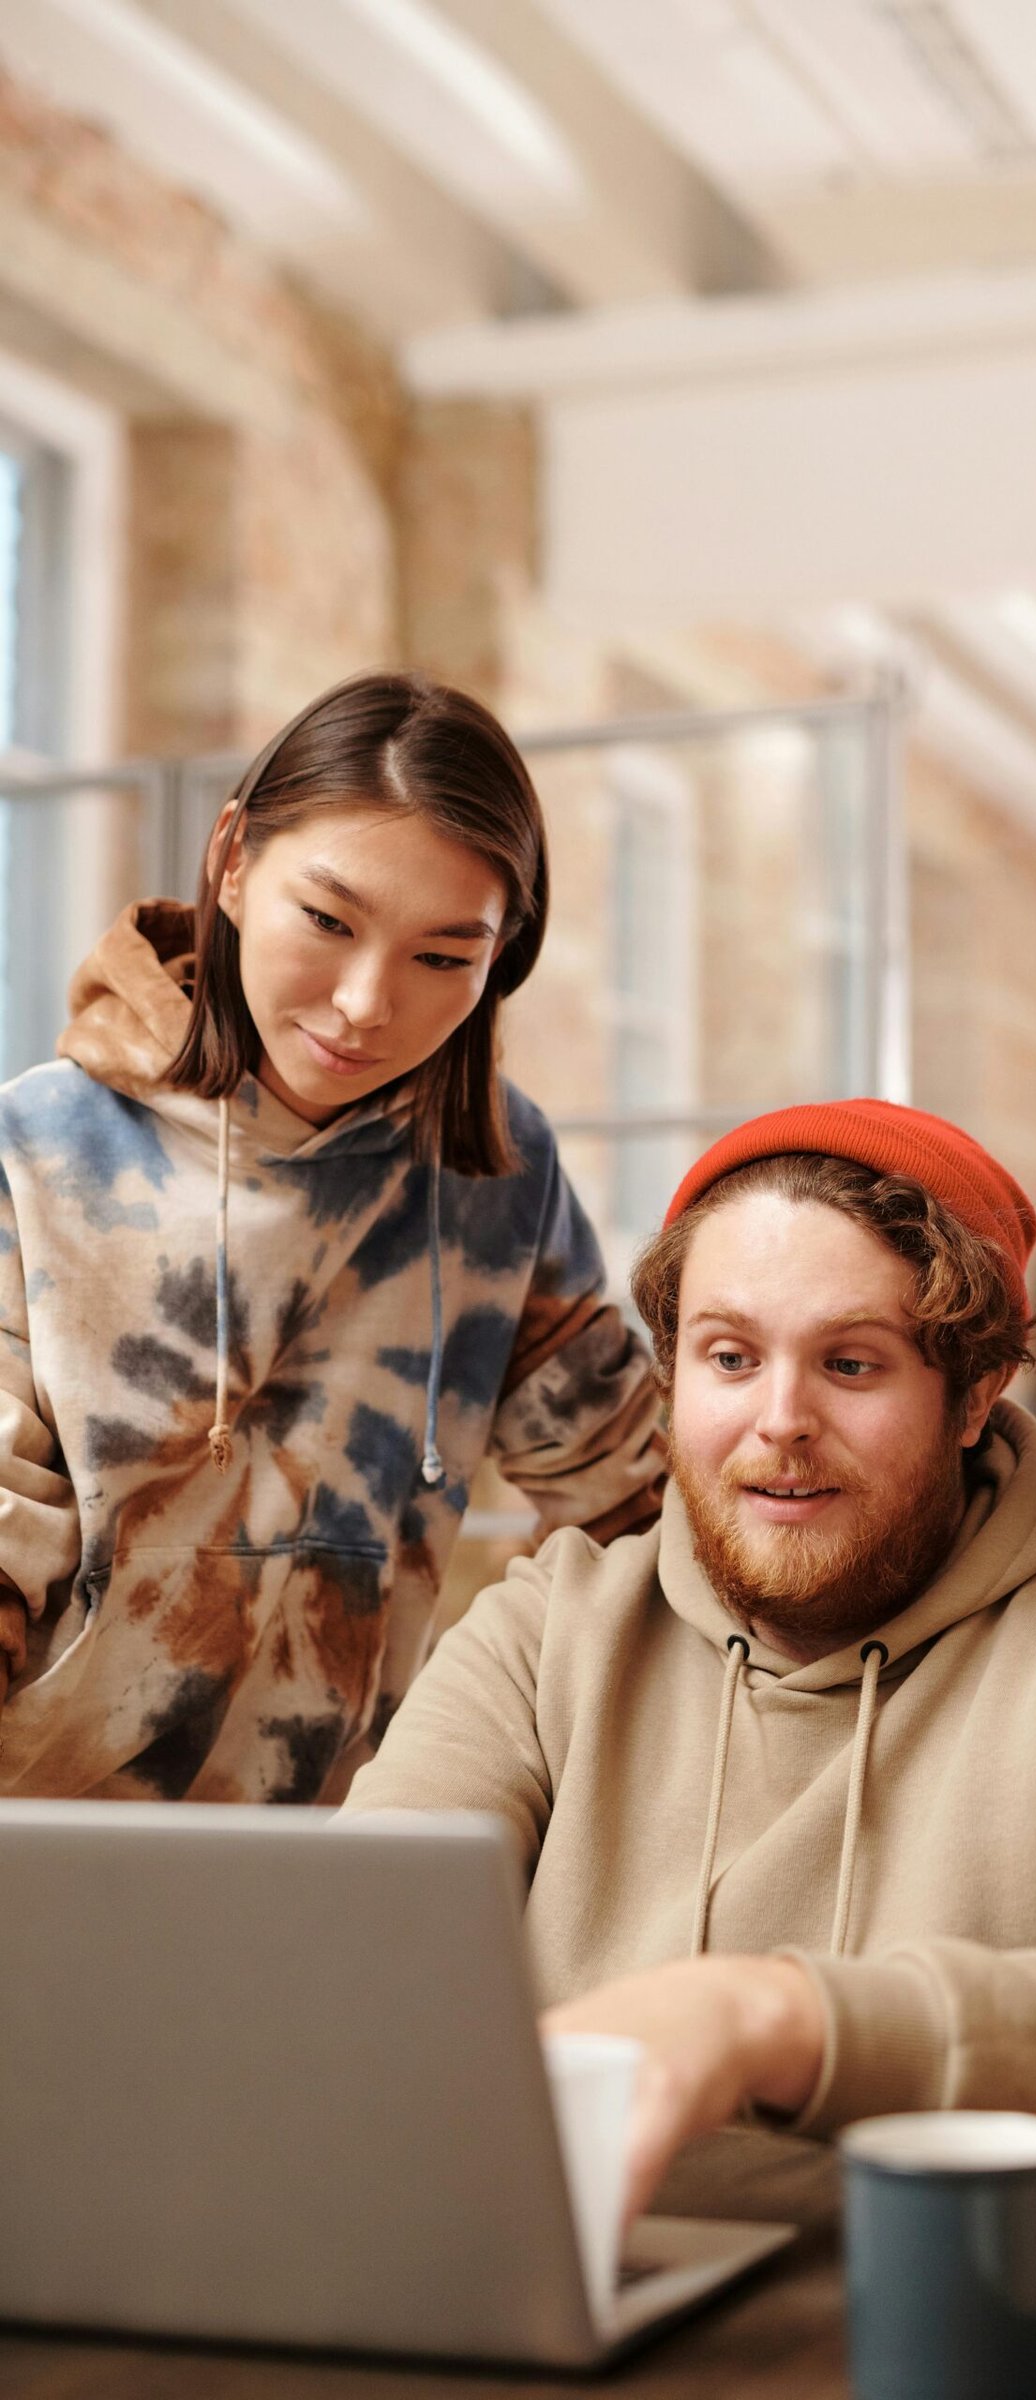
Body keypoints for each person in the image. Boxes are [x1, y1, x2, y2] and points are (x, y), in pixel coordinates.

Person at [344, 1099, 1036, 2222]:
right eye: (728, 1356)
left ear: (973, 1393)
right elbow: (356, 1962)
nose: (779, 1421)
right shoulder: (544, 1631)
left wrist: (769, 2023)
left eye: (850, 1365)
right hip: (635, 2306)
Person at [0, 670, 663, 1804]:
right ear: (234, 861)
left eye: (444, 958)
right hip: (42, 1846)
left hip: (348, 1851)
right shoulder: (38, 1153)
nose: (366, 1001)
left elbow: (632, 1511)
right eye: (329, 919)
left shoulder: (498, 1175)